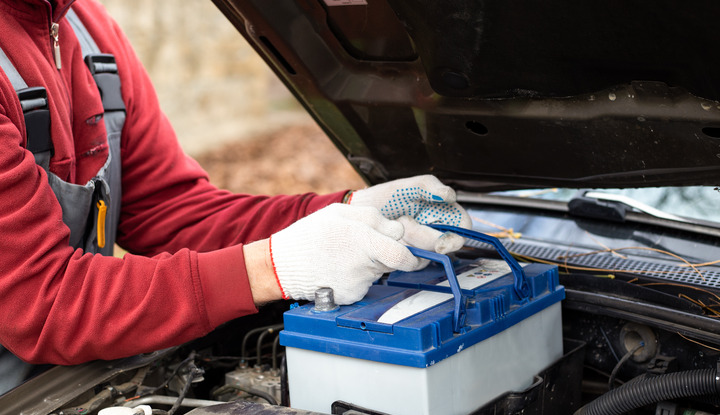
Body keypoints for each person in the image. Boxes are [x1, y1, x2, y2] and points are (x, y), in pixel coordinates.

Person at [0, 0, 471, 393]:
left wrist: (349, 211)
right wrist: (271, 269)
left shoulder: (87, 29)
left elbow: (172, 211)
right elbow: (42, 301)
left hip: (66, 380)